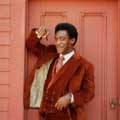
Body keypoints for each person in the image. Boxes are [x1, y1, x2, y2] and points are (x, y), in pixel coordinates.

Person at [24, 23, 95, 120]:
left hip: (70, 116)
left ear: (72, 40)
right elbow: (30, 45)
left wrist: (71, 98)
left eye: (62, 39)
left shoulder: (85, 65)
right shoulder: (49, 53)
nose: (58, 43)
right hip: (46, 116)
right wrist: (38, 34)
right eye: (56, 39)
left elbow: (89, 92)